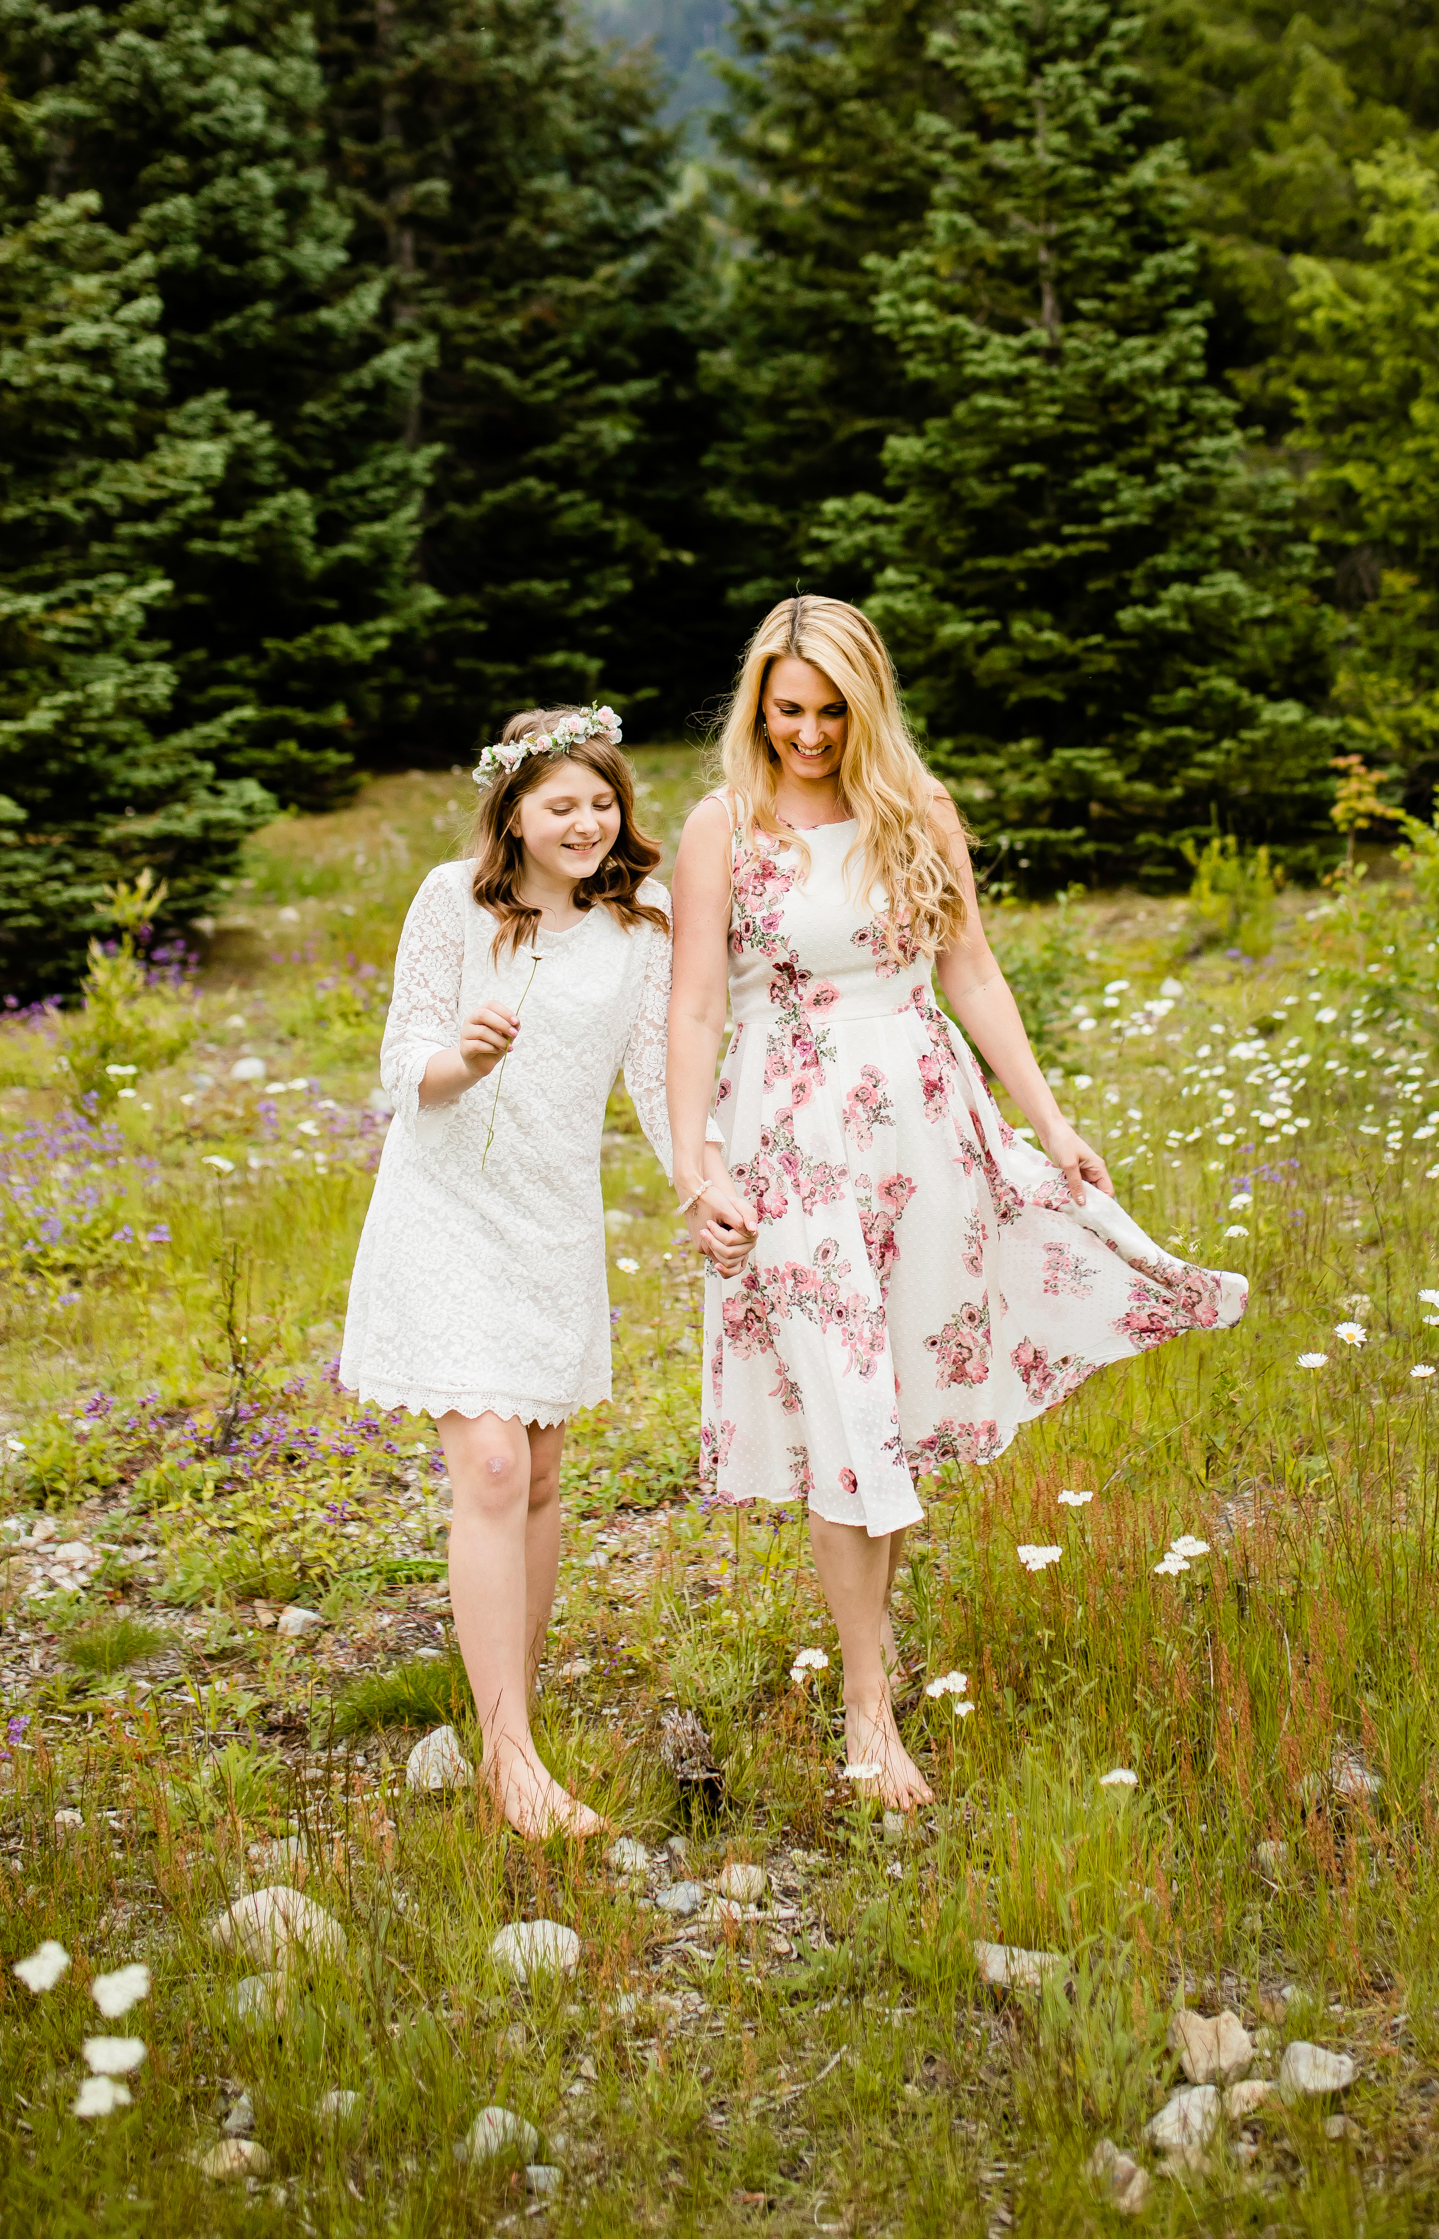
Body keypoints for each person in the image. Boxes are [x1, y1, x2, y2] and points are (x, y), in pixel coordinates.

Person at [667, 598, 1248, 1810]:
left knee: (888, 1408)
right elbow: (693, 1011)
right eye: (787, 712)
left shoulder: (915, 814)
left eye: (832, 712)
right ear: (755, 706)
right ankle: (868, 1715)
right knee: (840, 1412)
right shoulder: (724, 825)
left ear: (867, 705)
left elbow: (968, 969)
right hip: (788, 1145)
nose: (810, 735)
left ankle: (869, 1681)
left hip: (924, 1132)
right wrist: (698, 1166)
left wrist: (1052, 1123)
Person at [340, 704, 716, 1837]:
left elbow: (659, 1078)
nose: (588, 824)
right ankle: (509, 1759)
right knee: (494, 1470)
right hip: (444, 1207)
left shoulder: (641, 920)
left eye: (603, 805)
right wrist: (461, 1057)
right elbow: (400, 1061)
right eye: (563, 806)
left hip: (552, 1220)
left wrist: (700, 1187)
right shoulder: (450, 901)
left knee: (543, 1478)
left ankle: (510, 1703)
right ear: (511, 810)